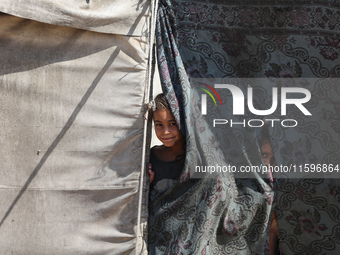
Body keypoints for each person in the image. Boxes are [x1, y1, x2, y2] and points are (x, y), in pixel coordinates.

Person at [148, 93, 186, 202]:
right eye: (159, 124)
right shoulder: (150, 156)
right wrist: (147, 182)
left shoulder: (193, 155)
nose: (165, 132)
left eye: (172, 124)